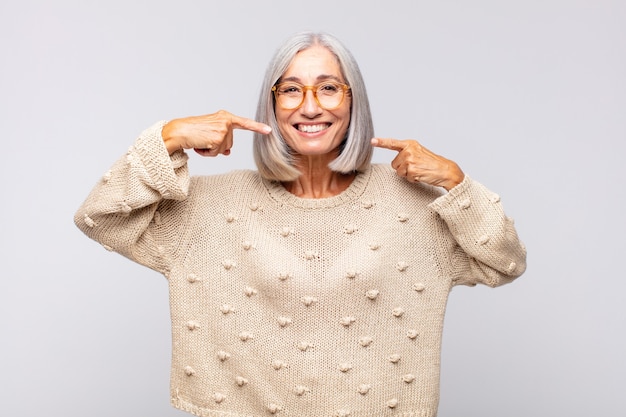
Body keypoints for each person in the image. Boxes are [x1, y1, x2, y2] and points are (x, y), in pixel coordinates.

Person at [75, 31, 526, 417]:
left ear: (354, 102)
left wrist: (455, 180)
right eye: (291, 90)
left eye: (328, 88)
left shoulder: (414, 205)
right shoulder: (210, 207)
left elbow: (505, 263)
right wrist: (168, 137)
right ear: (271, 106)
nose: (309, 107)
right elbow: (100, 217)